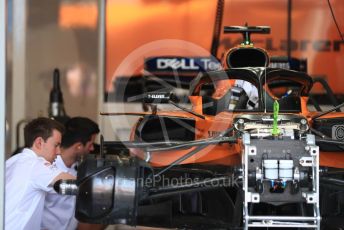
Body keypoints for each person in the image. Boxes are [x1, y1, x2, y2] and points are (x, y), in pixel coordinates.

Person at [5, 117, 76, 230]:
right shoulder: (35, 165)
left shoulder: (12, 161)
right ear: (39, 143)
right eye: (56, 145)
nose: (58, 152)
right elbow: (76, 185)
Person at [41, 117, 100, 230]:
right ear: (78, 146)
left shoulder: (76, 169)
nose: (92, 148)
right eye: (90, 144)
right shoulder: (48, 170)